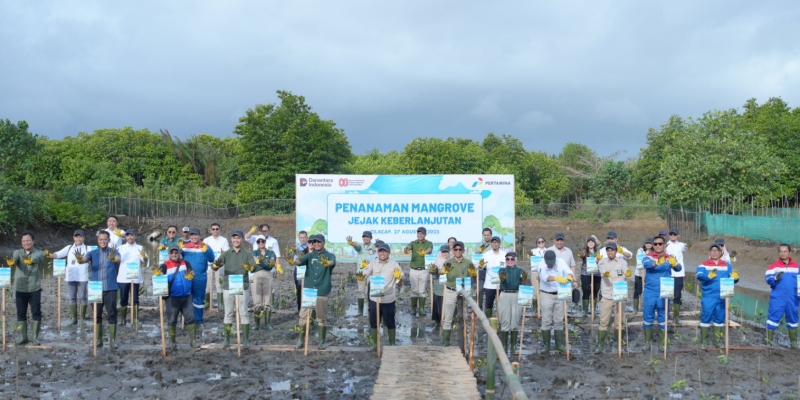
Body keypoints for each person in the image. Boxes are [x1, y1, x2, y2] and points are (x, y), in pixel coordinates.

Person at [212, 230, 254, 347]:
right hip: (228, 286)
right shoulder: (226, 253)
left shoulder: (247, 253)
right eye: (234, 238)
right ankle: (227, 339)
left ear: (242, 239)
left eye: (238, 238)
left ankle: (246, 339)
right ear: (231, 239)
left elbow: (253, 267)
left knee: (244, 313)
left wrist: (251, 267)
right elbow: (215, 265)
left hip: (243, 286)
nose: (236, 240)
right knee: (228, 313)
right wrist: (216, 265)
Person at [294, 234, 337, 350]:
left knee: (321, 317)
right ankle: (301, 340)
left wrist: (329, 263)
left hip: (322, 290)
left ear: (323, 243)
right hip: (309, 291)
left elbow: (333, 262)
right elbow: (299, 261)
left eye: (318, 242)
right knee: (303, 316)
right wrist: (294, 260)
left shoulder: (329, 255)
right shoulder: (309, 255)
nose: (316, 244)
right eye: (314, 242)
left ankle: (321, 342)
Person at [81, 231, 121, 349]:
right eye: (100, 239)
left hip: (111, 288)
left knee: (112, 314)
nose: (103, 241)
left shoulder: (114, 252)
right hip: (95, 289)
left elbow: (118, 259)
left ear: (109, 240)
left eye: (105, 239)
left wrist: (114, 258)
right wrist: (79, 259)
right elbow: (84, 259)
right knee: (96, 314)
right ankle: (99, 340)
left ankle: (113, 341)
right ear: (97, 240)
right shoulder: (92, 253)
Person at [641, 236, 682, 351]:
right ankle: (647, 343)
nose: (658, 246)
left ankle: (661, 344)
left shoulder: (670, 258)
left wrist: (674, 264)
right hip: (650, 291)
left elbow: (679, 268)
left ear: (664, 245)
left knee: (663, 317)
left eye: (660, 244)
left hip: (664, 291)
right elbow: (646, 265)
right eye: (656, 244)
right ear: (653, 245)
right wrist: (656, 263)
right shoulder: (648, 257)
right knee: (647, 316)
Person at [696, 242, 739, 349]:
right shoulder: (704, 264)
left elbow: (732, 279)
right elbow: (699, 275)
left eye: (717, 251)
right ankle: (704, 341)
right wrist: (707, 276)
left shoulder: (726, 265)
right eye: (712, 250)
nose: (714, 252)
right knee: (706, 316)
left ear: (721, 252)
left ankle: (716, 341)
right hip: (708, 295)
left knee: (719, 318)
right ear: (709, 252)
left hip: (722, 296)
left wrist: (735, 278)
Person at [362, 243, 404, 350]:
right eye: (380, 251)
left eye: (385, 251)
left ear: (389, 253)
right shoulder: (373, 263)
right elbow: (365, 273)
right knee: (374, 321)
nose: (382, 253)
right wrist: (361, 274)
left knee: (390, 321)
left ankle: (392, 344)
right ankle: (375, 344)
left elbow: (401, 275)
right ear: (377, 252)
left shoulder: (394, 264)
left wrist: (399, 276)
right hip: (374, 297)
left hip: (388, 298)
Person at [156, 245, 198, 349]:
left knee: (190, 319)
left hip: (186, 297)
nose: (174, 255)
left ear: (179, 253)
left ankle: (193, 341)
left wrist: (193, 274)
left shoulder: (185, 263)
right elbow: (158, 281)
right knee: (172, 320)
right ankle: (172, 342)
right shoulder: (164, 266)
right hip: (172, 298)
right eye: (172, 253)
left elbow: (193, 273)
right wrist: (158, 276)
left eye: (176, 252)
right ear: (169, 254)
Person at [8, 232, 45, 345]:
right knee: (21, 313)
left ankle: (35, 338)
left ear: (33, 241)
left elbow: (38, 257)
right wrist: (12, 262)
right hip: (20, 288)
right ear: (21, 242)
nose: (26, 243)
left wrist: (31, 260)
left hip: (34, 288)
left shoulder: (39, 253)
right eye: (24, 241)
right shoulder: (17, 253)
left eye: (28, 240)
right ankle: (23, 337)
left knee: (36, 312)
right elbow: (14, 258)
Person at [534, 250, 573, 354]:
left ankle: (559, 345)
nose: (550, 264)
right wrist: (557, 278)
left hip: (560, 294)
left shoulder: (561, 262)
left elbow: (569, 271)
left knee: (559, 320)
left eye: (552, 262)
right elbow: (544, 277)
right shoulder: (541, 264)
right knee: (546, 320)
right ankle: (546, 346)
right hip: (546, 294)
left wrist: (569, 276)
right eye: (548, 262)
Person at [595, 242, 631, 353]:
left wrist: (628, 272)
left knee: (619, 321)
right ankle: (600, 345)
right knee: (603, 321)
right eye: (608, 250)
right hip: (607, 295)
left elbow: (625, 269)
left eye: (612, 250)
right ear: (606, 252)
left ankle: (620, 343)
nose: (610, 252)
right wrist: (604, 273)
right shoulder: (602, 261)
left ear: (616, 251)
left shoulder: (622, 262)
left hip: (619, 295)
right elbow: (601, 269)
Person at [50, 229, 90, 325]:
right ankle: (74, 319)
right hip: (70, 277)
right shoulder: (69, 248)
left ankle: (82, 319)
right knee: (72, 298)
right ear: (73, 238)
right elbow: (58, 254)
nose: (78, 238)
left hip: (82, 277)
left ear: (84, 238)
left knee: (82, 297)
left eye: (80, 236)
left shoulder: (89, 248)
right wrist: (49, 254)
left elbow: (94, 256)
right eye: (76, 236)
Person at [439, 241, 474, 347]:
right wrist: (443, 271)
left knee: (463, 317)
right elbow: (440, 272)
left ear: (463, 250)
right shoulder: (448, 261)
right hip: (450, 291)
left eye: (460, 249)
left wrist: (474, 273)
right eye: (455, 249)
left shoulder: (468, 262)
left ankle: (464, 342)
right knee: (448, 317)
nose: (458, 251)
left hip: (463, 292)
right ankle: (446, 343)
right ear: (452, 251)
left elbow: (473, 276)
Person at [180, 228, 215, 330]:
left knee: (199, 299)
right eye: (192, 235)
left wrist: (207, 251)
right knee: (186, 298)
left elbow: (212, 259)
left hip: (200, 277)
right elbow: (177, 258)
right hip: (187, 276)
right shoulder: (185, 247)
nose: (194, 237)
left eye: (196, 235)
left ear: (200, 236)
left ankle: (199, 321)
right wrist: (178, 249)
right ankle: (185, 320)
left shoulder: (206, 247)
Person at [765, 244, 798, 348]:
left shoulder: (797, 267)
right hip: (778, 297)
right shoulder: (774, 267)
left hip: (793, 298)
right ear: (779, 253)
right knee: (773, 318)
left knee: (793, 319)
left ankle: (793, 344)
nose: (783, 253)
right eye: (781, 251)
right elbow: (768, 280)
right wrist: (775, 278)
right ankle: (769, 342)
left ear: (790, 253)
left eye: (785, 251)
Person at [497, 251, 526, 355]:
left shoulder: (520, 270)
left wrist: (524, 277)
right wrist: (502, 277)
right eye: (507, 259)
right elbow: (501, 277)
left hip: (516, 294)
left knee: (515, 320)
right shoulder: (502, 270)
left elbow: (524, 279)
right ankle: (504, 346)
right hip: (504, 294)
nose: (509, 261)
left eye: (512, 259)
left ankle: (513, 347)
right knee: (504, 319)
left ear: (516, 260)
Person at [116, 229, 147, 327]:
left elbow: (145, 260)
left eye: (132, 235)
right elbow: (116, 261)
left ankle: (136, 319)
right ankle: (123, 319)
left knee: (135, 299)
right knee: (123, 298)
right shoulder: (120, 248)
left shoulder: (140, 247)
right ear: (125, 237)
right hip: (123, 277)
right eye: (128, 235)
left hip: (135, 277)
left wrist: (144, 256)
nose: (130, 237)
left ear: (136, 236)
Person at [404, 227, 433, 317]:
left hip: (424, 270)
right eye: (418, 233)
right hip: (413, 270)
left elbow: (429, 250)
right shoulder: (413, 243)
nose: (420, 235)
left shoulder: (428, 243)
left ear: (425, 234)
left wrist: (424, 252)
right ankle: (413, 308)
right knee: (414, 290)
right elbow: (408, 247)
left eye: (422, 234)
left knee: (422, 291)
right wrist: (407, 248)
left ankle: (421, 309)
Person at [251, 235, 277, 331]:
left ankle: (267, 324)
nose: (261, 243)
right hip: (256, 276)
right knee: (257, 300)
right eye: (259, 241)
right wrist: (264, 263)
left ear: (265, 242)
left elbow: (271, 265)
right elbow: (253, 263)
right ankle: (257, 324)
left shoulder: (271, 252)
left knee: (268, 299)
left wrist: (260, 263)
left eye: (262, 241)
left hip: (268, 275)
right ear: (257, 243)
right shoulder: (253, 252)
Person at [548, 233, 578, 313]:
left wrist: (575, 280)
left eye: (561, 240)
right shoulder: (549, 251)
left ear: (564, 241)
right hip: (553, 282)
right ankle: (554, 318)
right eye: (557, 240)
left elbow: (572, 266)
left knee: (565, 302)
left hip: (566, 282)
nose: (559, 242)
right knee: (553, 303)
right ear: (554, 241)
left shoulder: (569, 251)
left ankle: (563, 319)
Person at [203, 223, 230, 313]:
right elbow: (203, 252)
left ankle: (220, 304)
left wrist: (219, 263)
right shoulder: (206, 240)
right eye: (213, 229)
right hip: (208, 265)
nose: (215, 231)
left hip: (220, 265)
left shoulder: (224, 240)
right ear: (210, 230)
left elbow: (226, 253)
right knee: (207, 285)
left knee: (219, 284)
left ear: (219, 230)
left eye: (217, 229)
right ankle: (207, 302)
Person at [348, 230, 375, 316]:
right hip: (361, 272)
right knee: (361, 291)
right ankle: (360, 311)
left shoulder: (374, 246)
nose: (365, 238)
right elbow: (356, 246)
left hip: (371, 272)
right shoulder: (360, 245)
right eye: (364, 237)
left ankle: (371, 309)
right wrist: (352, 243)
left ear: (371, 238)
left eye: (367, 237)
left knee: (372, 291)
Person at [665, 228, 689, 324]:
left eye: (674, 234)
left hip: (679, 273)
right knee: (666, 294)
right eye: (671, 234)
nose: (672, 236)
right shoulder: (666, 245)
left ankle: (676, 317)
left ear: (678, 235)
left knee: (677, 295)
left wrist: (689, 245)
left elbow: (687, 248)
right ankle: (665, 315)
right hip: (668, 272)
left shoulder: (681, 245)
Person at [482, 236, 506, 318]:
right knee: (488, 304)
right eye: (493, 242)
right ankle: (488, 322)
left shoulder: (504, 255)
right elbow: (480, 266)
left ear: (499, 243)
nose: (494, 244)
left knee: (501, 303)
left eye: (496, 242)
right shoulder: (486, 255)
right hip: (489, 284)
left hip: (501, 285)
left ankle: (500, 321)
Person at [579, 236, 601, 316]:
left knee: (595, 292)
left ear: (595, 244)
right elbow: (581, 256)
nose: (591, 243)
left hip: (597, 274)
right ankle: (585, 311)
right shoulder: (584, 252)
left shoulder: (598, 252)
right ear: (587, 244)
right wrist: (582, 254)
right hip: (586, 274)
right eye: (589, 242)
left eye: (592, 242)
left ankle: (593, 310)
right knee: (586, 292)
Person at [429, 245, 450, 331]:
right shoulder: (437, 261)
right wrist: (435, 270)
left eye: (446, 252)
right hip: (439, 286)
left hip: (449, 286)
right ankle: (437, 323)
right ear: (440, 252)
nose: (445, 254)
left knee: (448, 304)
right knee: (438, 305)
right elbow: (432, 271)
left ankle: (448, 322)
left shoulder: (452, 260)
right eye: (443, 252)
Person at [633, 238, 654, 313]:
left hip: (648, 274)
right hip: (639, 273)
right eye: (647, 243)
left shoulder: (654, 252)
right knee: (637, 291)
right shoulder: (640, 250)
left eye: (650, 243)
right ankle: (635, 308)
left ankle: (647, 307)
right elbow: (640, 258)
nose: (648, 244)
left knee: (648, 291)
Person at [292, 231, 310, 311]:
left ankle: (308, 309)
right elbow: (293, 258)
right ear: (299, 238)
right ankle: (300, 309)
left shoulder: (310, 246)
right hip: (299, 269)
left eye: (304, 237)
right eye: (301, 238)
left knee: (307, 287)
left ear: (307, 238)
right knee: (299, 287)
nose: (302, 239)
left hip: (308, 269)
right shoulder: (296, 247)